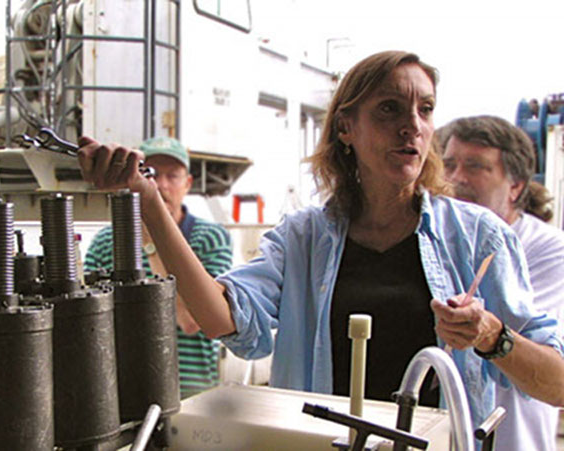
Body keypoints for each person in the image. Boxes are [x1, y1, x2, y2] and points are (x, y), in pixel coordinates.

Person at [76, 50, 564, 429]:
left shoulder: (478, 238)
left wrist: (490, 336)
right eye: (390, 108)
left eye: (425, 109)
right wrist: (148, 199)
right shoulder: (303, 237)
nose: (411, 124)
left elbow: (557, 383)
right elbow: (222, 318)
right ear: (346, 127)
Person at [440, 115, 564, 451]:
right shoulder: (436, 240)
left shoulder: (549, 249)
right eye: (448, 164)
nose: (455, 178)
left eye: (475, 166)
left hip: (512, 439)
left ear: (516, 186)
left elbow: (524, 330)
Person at [84, 136, 233, 398]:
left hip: (192, 397)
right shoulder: (105, 242)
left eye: (172, 176)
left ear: (187, 184)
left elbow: (192, 321)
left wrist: (151, 239)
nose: (161, 185)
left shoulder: (210, 237)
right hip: (124, 395)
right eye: (151, 174)